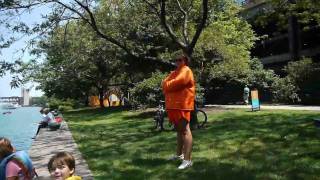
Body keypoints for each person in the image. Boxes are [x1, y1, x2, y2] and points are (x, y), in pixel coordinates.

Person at [162, 54, 195, 169]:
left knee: (185, 131)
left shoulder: (186, 71)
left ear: (185, 60)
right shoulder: (174, 72)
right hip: (173, 106)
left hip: (182, 106)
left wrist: (167, 84)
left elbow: (175, 84)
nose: (177, 62)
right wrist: (167, 84)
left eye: (179, 60)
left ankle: (187, 160)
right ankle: (179, 155)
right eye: (175, 60)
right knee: (179, 131)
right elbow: (164, 84)